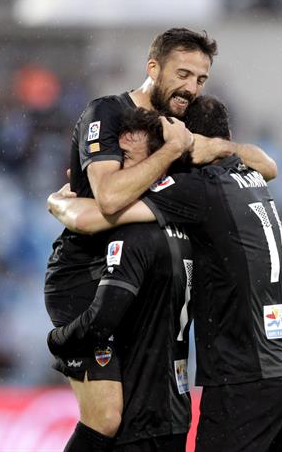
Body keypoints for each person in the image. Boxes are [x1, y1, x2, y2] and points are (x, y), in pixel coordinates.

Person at [44, 28, 277, 451]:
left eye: (201, 79)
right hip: (88, 274)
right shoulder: (107, 113)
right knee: (108, 417)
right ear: (153, 68)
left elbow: (267, 165)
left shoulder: (180, 124)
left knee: (148, 416)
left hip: (147, 276)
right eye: (183, 74)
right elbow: (110, 198)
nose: (191, 88)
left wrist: (215, 146)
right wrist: (173, 152)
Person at [48, 109, 194, 451]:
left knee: (110, 417)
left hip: (148, 410)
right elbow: (85, 212)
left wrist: (59, 340)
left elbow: (104, 314)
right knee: (106, 418)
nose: (115, 168)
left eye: (127, 158)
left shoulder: (143, 220)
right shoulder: (171, 221)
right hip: (79, 289)